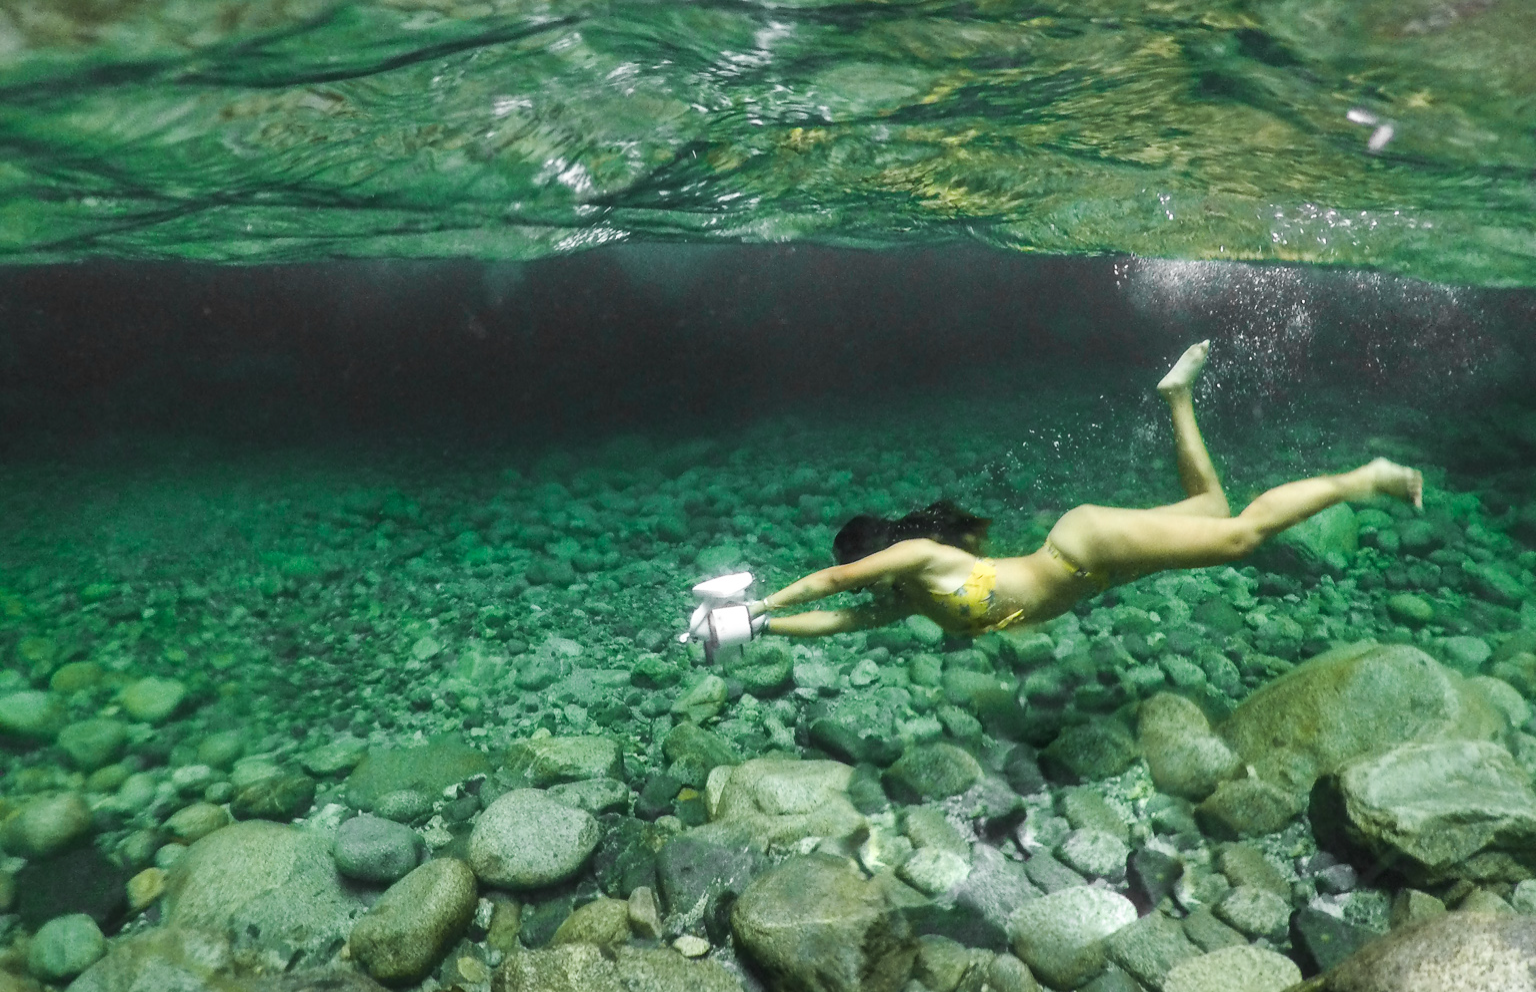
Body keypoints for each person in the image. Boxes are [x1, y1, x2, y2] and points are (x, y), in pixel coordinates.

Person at [747, 341, 1423, 638]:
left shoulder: (918, 557)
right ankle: (1179, 394)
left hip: (1085, 547)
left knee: (1240, 537)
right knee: (1212, 510)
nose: (857, 581)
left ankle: (1360, 479)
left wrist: (754, 604)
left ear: (868, 556)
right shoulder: (908, 602)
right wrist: (767, 628)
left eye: (856, 568)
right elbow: (834, 621)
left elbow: (832, 588)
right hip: (1097, 568)